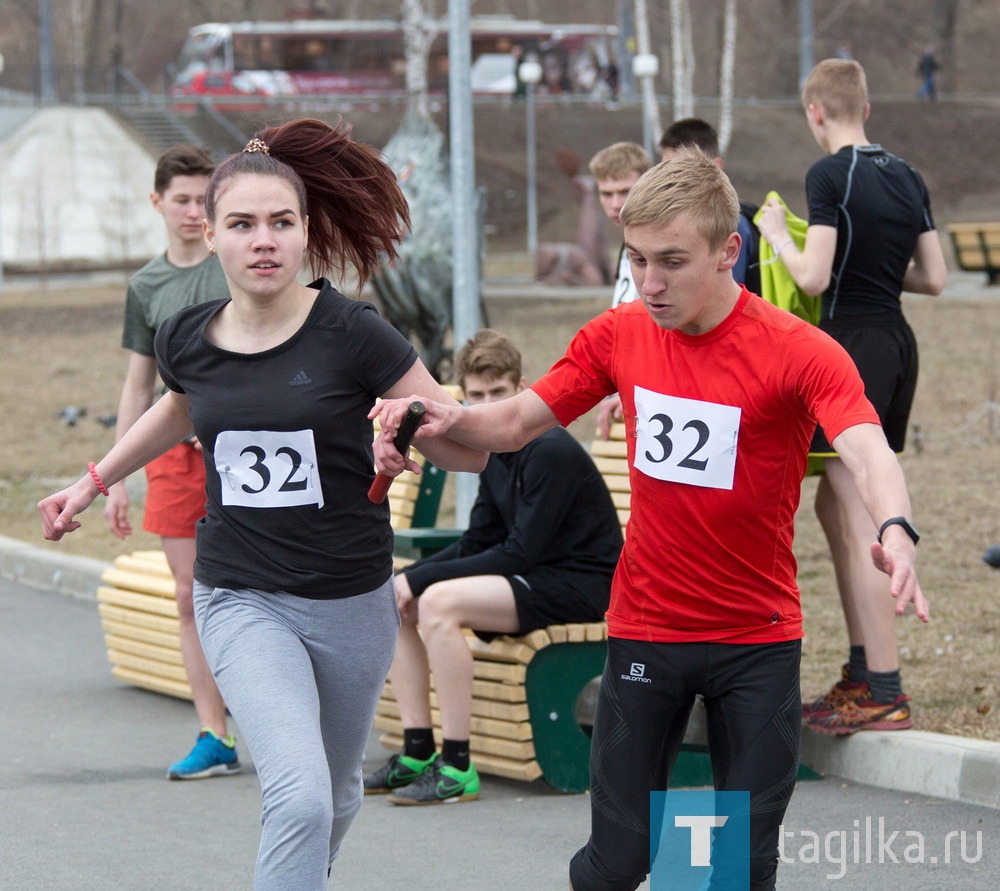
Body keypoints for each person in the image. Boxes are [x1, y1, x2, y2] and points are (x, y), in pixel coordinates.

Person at [372, 153, 928, 890]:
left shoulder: (797, 350)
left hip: (754, 644)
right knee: (615, 864)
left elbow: (868, 448)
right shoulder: (619, 334)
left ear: (730, 250)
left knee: (731, 869)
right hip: (647, 633)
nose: (650, 282)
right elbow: (513, 423)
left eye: (672, 261)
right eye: (636, 260)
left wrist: (895, 527)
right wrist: (446, 411)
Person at [39, 118, 488, 890]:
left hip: (350, 599)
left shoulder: (356, 334)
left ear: (307, 231)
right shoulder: (187, 335)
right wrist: (95, 478)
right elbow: (181, 409)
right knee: (302, 792)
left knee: (338, 791)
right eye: (242, 224)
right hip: (241, 594)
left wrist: (407, 420)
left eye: (282, 222)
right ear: (208, 233)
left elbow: (468, 448)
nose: (264, 240)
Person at [757, 58, 946, 736]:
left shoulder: (828, 174)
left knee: (860, 516)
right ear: (865, 109)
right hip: (896, 341)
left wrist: (778, 233)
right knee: (837, 503)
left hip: (850, 349)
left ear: (815, 113)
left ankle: (885, 687)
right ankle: (863, 669)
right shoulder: (907, 175)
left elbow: (812, 276)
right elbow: (935, 277)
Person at [363, 328, 622, 805]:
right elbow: (480, 539)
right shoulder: (491, 454)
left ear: (522, 388)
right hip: (534, 577)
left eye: (497, 393)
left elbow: (520, 552)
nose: (484, 404)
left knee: (437, 601)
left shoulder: (549, 450)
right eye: (475, 396)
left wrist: (421, 578)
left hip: (582, 584)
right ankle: (418, 750)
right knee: (395, 599)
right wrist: (403, 582)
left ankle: (458, 765)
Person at [104, 144, 238, 781]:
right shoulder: (146, 285)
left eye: (202, 199)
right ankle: (214, 733)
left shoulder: (235, 262)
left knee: (261, 585)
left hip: (241, 453)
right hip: (174, 459)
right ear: (157, 203)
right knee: (189, 596)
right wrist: (116, 477)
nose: (192, 211)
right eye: (180, 199)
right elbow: (138, 385)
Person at [588, 142, 651, 439]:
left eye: (625, 191)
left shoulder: (657, 244)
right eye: (606, 193)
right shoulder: (625, 245)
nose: (615, 204)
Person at [659, 117, 758, 294]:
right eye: (665, 168)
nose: (671, 178)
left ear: (715, 167)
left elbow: (723, 299)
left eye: (682, 169)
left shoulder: (732, 223)